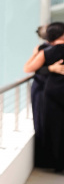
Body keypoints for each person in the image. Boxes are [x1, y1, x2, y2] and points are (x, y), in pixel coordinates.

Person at [24, 21, 64, 172]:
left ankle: (51, 162)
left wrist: (38, 57)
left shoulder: (45, 51)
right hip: (51, 93)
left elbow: (27, 68)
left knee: (50, 128)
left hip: (50, 94)